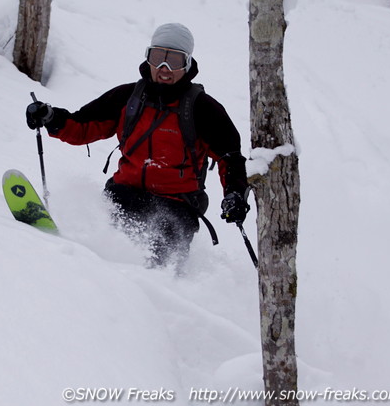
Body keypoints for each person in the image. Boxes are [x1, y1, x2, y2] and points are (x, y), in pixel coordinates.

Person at [25, 23, 250, 268]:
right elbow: (82, 126)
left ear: (187, 64)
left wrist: (235, 195)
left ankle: (161, 296)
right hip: (125, 192)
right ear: (148, 58)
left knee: (157, 263)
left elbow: (230, 157)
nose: (164, 68)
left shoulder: (203, 109)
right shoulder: (127, 98)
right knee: (102, 246)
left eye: (173, 60)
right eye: (158, 57)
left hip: (177, 204)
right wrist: (50, 118)